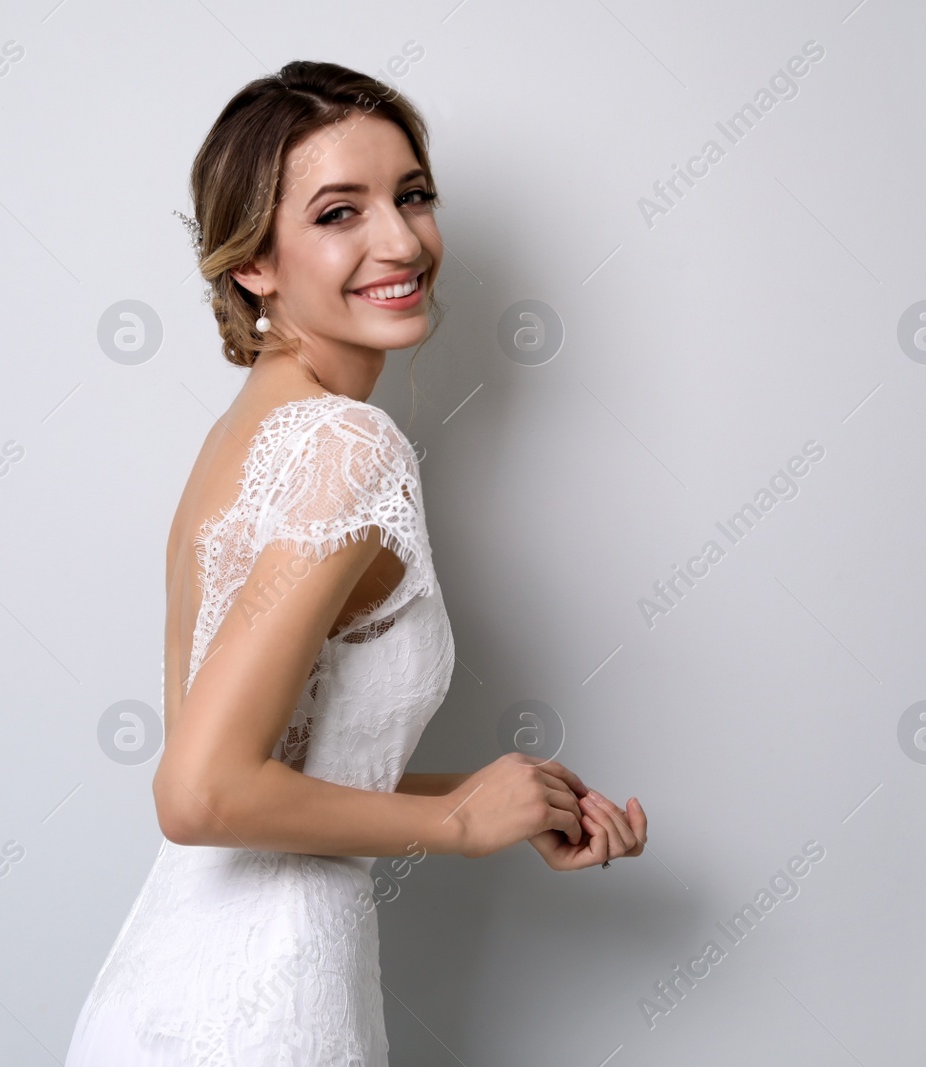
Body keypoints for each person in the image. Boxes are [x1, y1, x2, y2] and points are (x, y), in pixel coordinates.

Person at [64, 59, 646, 1066]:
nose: (401, 239)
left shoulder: (245, 434)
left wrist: (503, 796)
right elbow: (198, 792)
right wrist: (460, 824)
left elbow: (274, 771)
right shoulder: (344, 446)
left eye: (412, 195)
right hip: (259, 1014)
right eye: (340, 212)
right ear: (254, 261)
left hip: (175, 983)